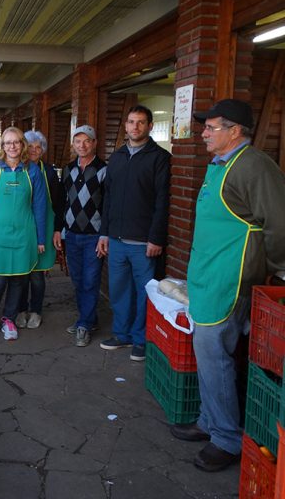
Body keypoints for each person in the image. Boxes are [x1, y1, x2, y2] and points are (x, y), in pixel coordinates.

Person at [170, 99, 285, 472]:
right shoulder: (220, 165)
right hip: (208, 275)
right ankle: (209, 421)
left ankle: (225, 439)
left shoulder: (254, 166)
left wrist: (273, 270)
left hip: (230, 280)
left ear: (235, 131)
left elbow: (279, 226)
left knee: (216, 357)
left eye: (211, 127)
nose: (203, 133)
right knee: (208, 357)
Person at [96, 105, 170, 361]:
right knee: (119, 291)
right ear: (125, 126)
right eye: (131, 122)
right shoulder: (116, 158)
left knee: (143, 293)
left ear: (150, 126)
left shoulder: (159, 158)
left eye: (140, 122)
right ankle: (122, 334)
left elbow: (163, 201)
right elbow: (108, 199)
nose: (135, 127)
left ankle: (141, 339)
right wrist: (104, 233)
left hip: (143, 243)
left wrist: (156, 238)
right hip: (115, 240)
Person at [0, 126, 47, 342]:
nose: (12, 146)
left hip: (24, 235)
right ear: (2, 146)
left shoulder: (32, 170)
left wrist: (41, 238)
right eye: (7, 143)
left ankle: (9, 319)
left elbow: (39, 206)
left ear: (22, 144)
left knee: (18, 280)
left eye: (16, 142)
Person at [53, 125, 106, 347]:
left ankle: (84, 324)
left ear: (94, 143)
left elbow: (109, 205)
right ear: (73, 144)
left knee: (90, 281)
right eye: (78, 141)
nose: (82, 145)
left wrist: (106, 235)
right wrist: (58, 229)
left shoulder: (104, 169)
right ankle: (88, 318)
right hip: (71, 235)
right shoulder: (68, 170)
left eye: (87, 141)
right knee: (77, 280)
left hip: (94, 236)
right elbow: (62, 202)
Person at [17, 130, 63, 329]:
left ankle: (35, 311)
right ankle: (20, 309)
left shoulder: (50, 172)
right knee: (20, 272)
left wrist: (57, 230)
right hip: (20, 227)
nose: (34, 150)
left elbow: (59, 203)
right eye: (31, 146)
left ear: (43, 150)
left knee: (36, 274)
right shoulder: (17, 168)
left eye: (38, 147)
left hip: (44, 227)